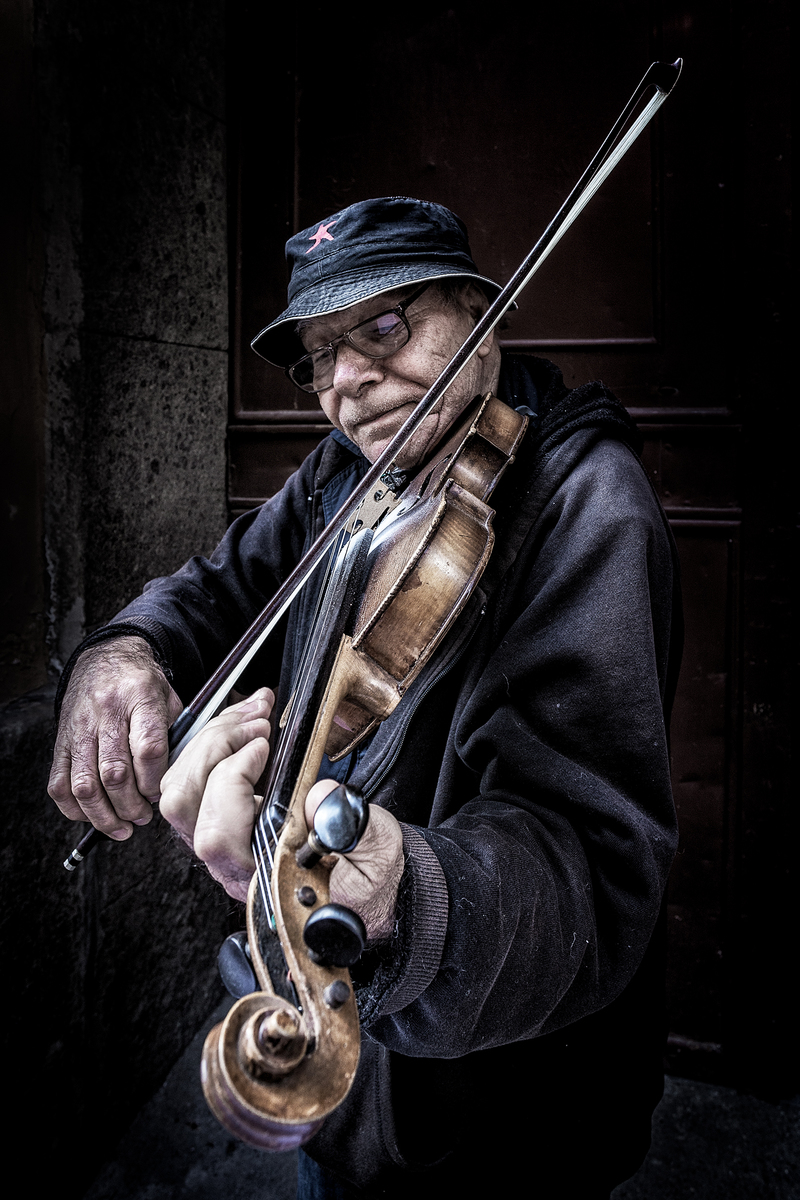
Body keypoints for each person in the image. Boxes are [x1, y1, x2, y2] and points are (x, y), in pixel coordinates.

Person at [49, 197, 682, 1198]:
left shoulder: (585, 506)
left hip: (495, 1117)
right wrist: (123, 648)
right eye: (318, 355)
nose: (347, 381)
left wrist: (403, 898)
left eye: (385, 328)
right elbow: (218, 587)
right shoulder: (347, 476)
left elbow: (584, 865)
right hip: (342, 1058)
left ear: (482, 310)